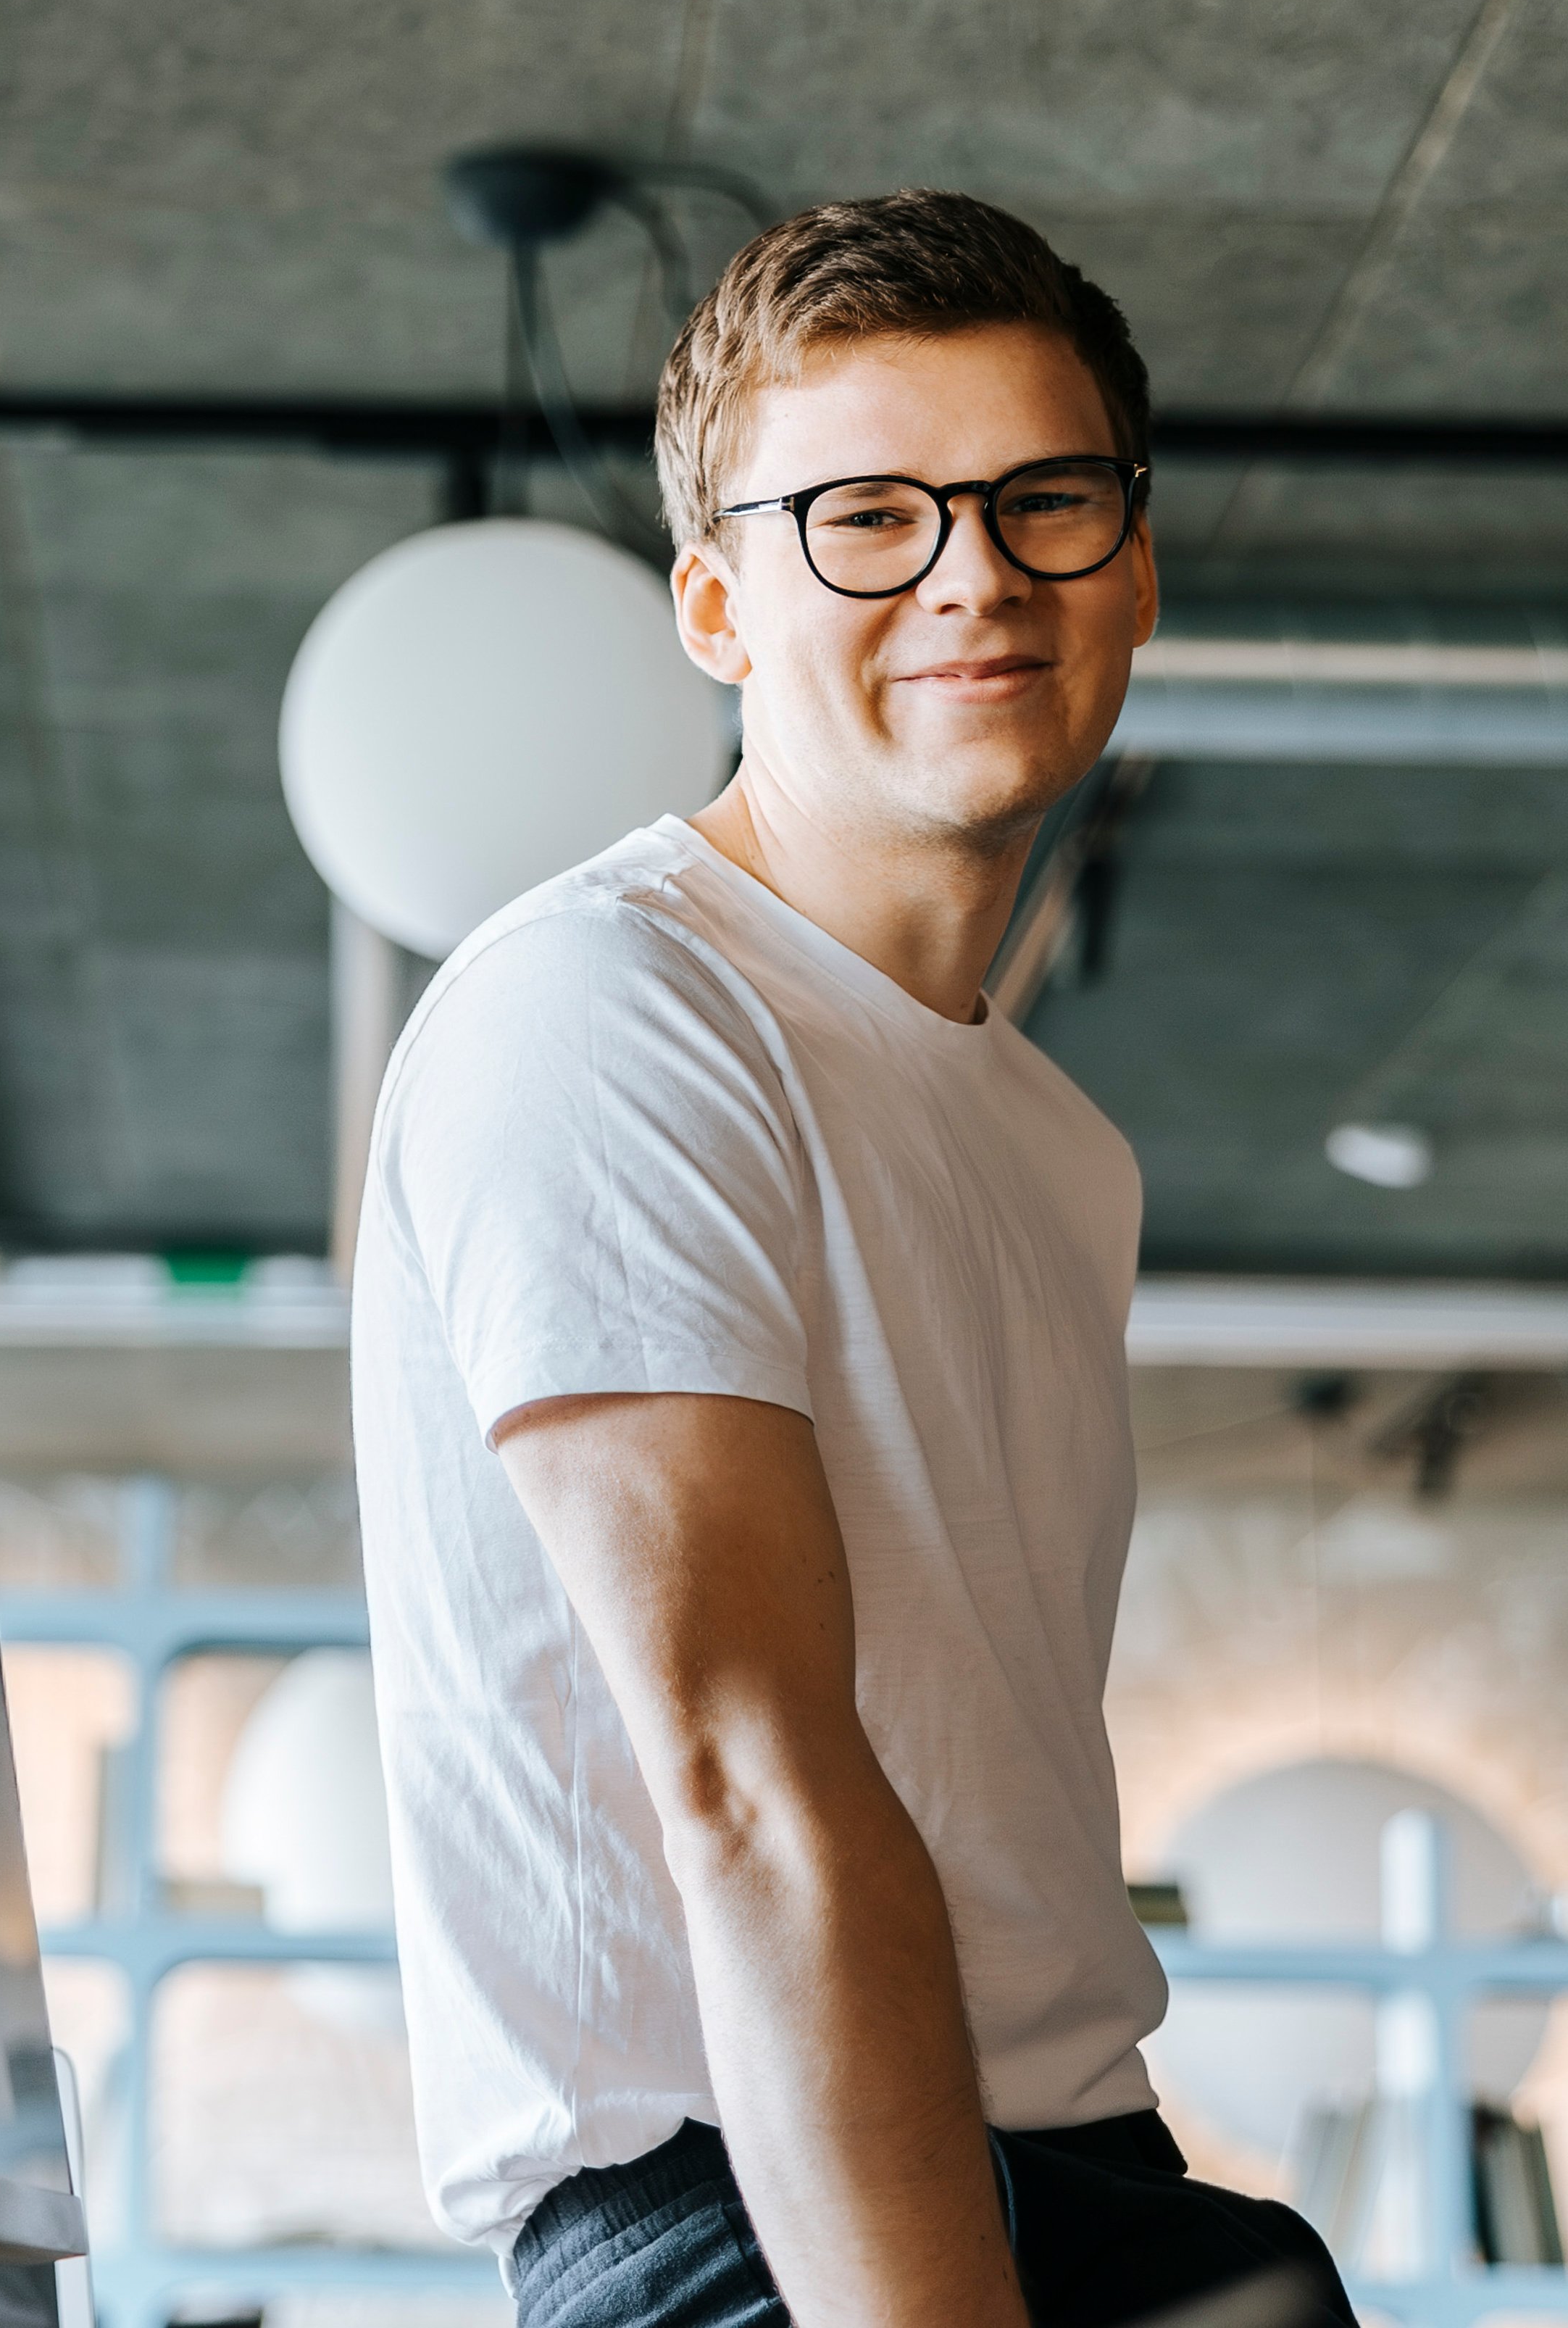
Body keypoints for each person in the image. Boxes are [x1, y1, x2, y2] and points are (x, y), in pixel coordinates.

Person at [349, 194, 1348, 2328]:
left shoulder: (1055, 1145)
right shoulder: (611, 1011)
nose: (975, 573)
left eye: (1042, 501)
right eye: (866, 518)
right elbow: (752, 1785)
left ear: (1135, 565)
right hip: (767, 2220)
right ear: (713, 604)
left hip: (1103, 2184)